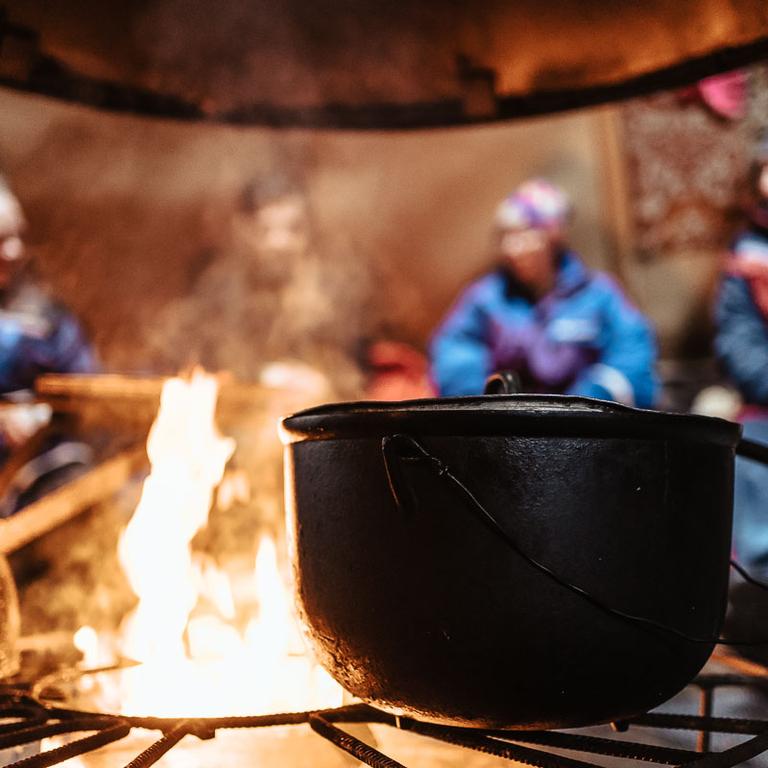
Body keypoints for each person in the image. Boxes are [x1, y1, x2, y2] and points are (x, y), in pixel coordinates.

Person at [429, 179, 658, 407]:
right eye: (505, 236)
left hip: (587, 421)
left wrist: (588, 402)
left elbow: (633, 353)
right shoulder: (486, 297)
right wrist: (483, 402)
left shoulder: (599, 293)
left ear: (553, 237)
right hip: (506, 420)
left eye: (525, 234)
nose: (512, 247)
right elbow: (455, 348)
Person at [0, 175, 97, 515]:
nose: (13, 250)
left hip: (41, 473)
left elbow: (87, 390)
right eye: (0, 239)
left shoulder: (46, 319)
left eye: (17, 236)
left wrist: (49, 415)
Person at [714, 130, 768, 577]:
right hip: (765, 401)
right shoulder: (745, 256)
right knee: (746, 445)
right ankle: (760, 572)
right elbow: (737, 340)